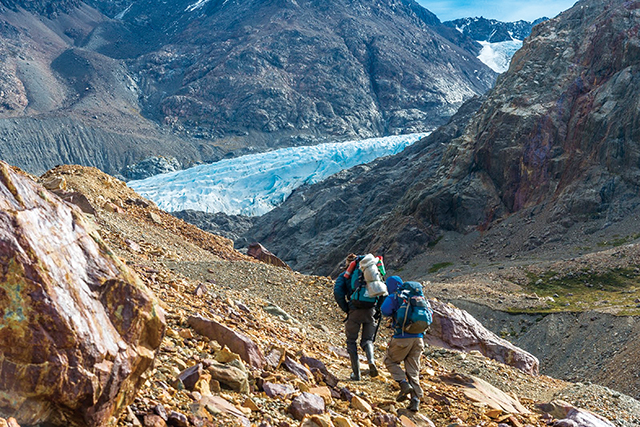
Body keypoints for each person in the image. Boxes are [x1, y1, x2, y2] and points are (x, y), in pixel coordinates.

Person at [333, 253, 381, 381]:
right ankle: (371, 361)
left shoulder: (345, 276)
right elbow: (382, 290)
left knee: (351, 341)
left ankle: (356, 373)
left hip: (354, 309)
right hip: (370, 309)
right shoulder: (371, 273)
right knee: (367, 340)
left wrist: (346, 308)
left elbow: (338, 292)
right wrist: (377, 310)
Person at [380, 275, 424, 412]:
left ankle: (403, 384)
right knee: (413, 370)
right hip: (419, 338)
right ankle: (415, 400)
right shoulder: (417, 296)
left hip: (402, 337)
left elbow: (385, 311)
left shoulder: (394, 296)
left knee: (390, 361)